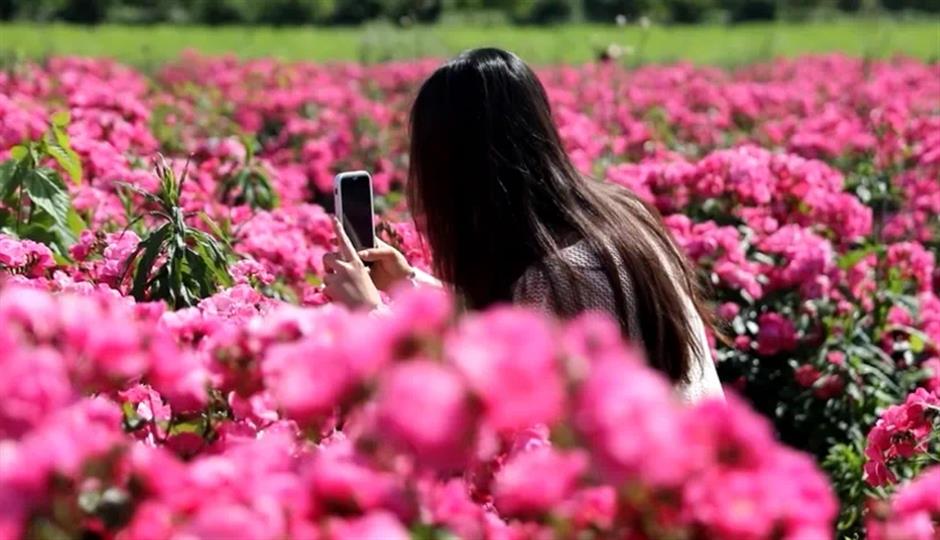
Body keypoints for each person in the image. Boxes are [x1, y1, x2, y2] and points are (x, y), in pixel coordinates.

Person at [323, 48, 723, 403]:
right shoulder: (622, 213)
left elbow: (483, 408)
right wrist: (407, 283)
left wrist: (370, 314)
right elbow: (509, 326)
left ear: (457, 169)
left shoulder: (566, 277)